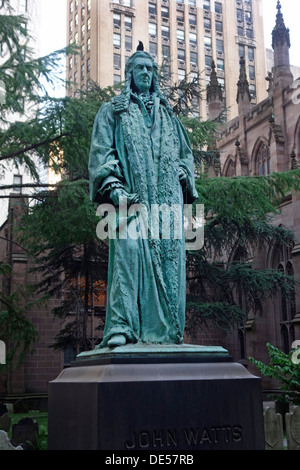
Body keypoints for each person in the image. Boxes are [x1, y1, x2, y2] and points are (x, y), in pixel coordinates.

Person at [89, 46, 198, 348]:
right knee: (128, 256)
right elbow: (102, 153)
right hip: (129, 201)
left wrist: (184, 173)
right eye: (140, 69)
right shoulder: (114, 110)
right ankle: (121, 328)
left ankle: (166, 331)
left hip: (167, 205)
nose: (146, 74)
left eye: (150, 69)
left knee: (170, 262)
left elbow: (186, 156)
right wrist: (113, 186)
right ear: (130, 74)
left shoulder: (168, 116)